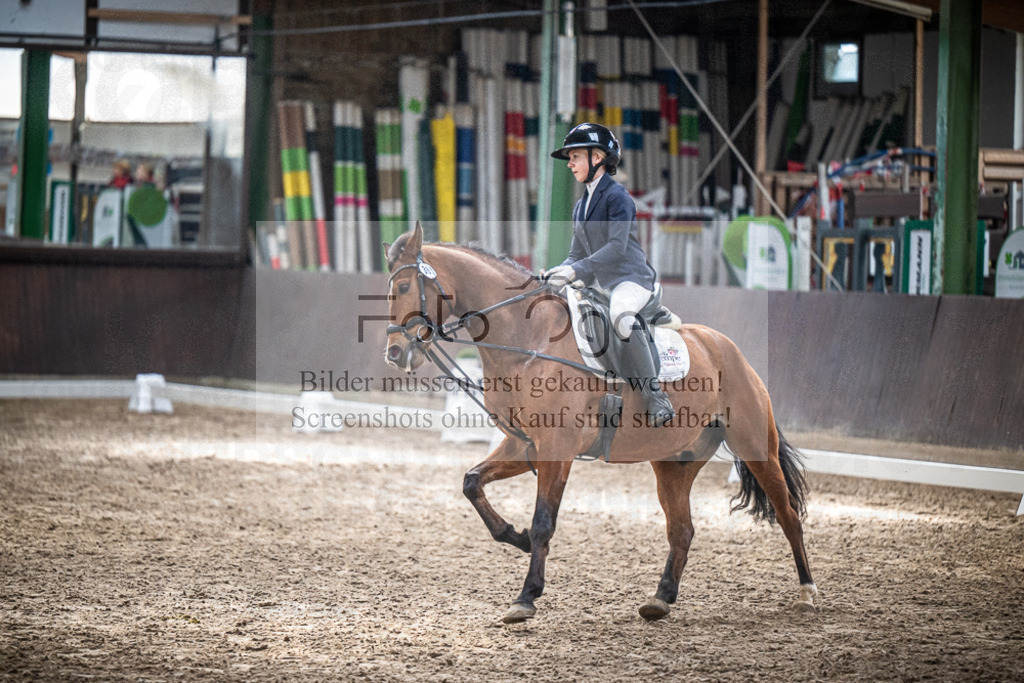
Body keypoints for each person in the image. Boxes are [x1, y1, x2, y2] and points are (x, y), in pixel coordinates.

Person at [544, 122, 675, 427]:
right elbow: (577, 254)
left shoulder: (618, 198)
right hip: (600, 283)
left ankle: (656, 397)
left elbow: (617, 247)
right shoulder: (580, 206)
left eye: (575, 156)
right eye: (570, 158)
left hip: (630, 279)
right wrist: (559, 272)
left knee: (620, 316)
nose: (571, 163)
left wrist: (576, 270)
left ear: (598, 158)